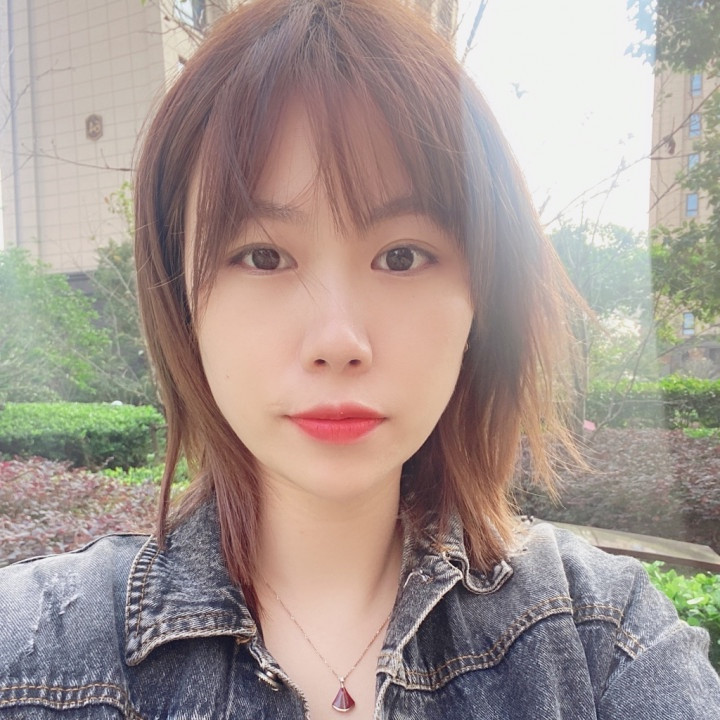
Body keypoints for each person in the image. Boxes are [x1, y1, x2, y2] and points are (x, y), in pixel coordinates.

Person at [1, 0, 719, 717]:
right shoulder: (35, 655)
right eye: (263, 256)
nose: (338, 341)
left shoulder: (603, 642)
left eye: (401, 256)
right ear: (182, 295)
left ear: (482, 297)